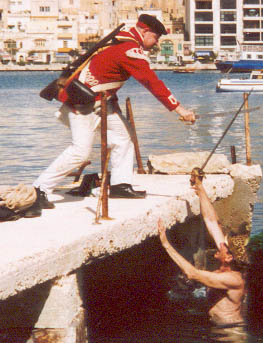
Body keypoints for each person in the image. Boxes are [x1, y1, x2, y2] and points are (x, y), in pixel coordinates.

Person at [29, 14, 196, 217]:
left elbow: (107, 78)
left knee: (124, 137)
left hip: (103, 103)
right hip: (84, 104)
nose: (157, 42)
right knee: (80, 152)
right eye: (156, 37)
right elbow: (152, 83)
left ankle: (119, 184)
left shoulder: (123, 43)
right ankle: (39, 189)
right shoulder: (129, 50)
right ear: (144, 32)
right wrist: (180, 109)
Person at [157, 169, 246, 326]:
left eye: (224, 244)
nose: (220, 242)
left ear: (229, 257)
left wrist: (166, 244)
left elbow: (192, 273)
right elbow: (212, 222)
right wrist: (200, 188)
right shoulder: (226, 259)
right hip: (217, 328)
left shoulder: (232, 279)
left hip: (231, 332)